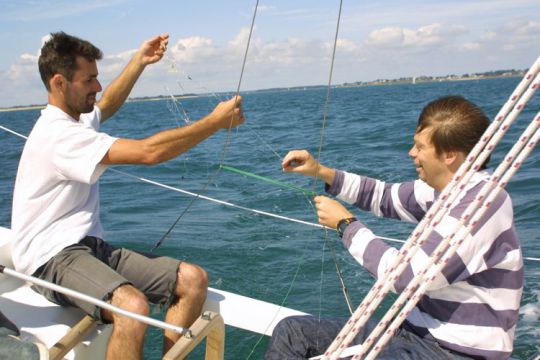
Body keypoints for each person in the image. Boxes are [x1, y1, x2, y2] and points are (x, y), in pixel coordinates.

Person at [11, 32, 244, 360]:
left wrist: (139, 61)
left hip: (88, 248)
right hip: (50, 258)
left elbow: (104, 107)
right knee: (132, 306)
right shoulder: (58, 135)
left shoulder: (74, 120)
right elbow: (150, 152)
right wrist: (215, 122)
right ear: (60, 82)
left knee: (193, 280)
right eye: (90, 79)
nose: (98, 87)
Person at [266, 96, 522, 359]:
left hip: (453, 351)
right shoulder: (446, 191)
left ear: (449, 155)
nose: (411, 153)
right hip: (414, 333)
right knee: (292, 333)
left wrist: (346, 225)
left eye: (420, 146)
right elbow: (384, 196)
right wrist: (322, 172)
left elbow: (406, 277)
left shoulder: (480, 205)